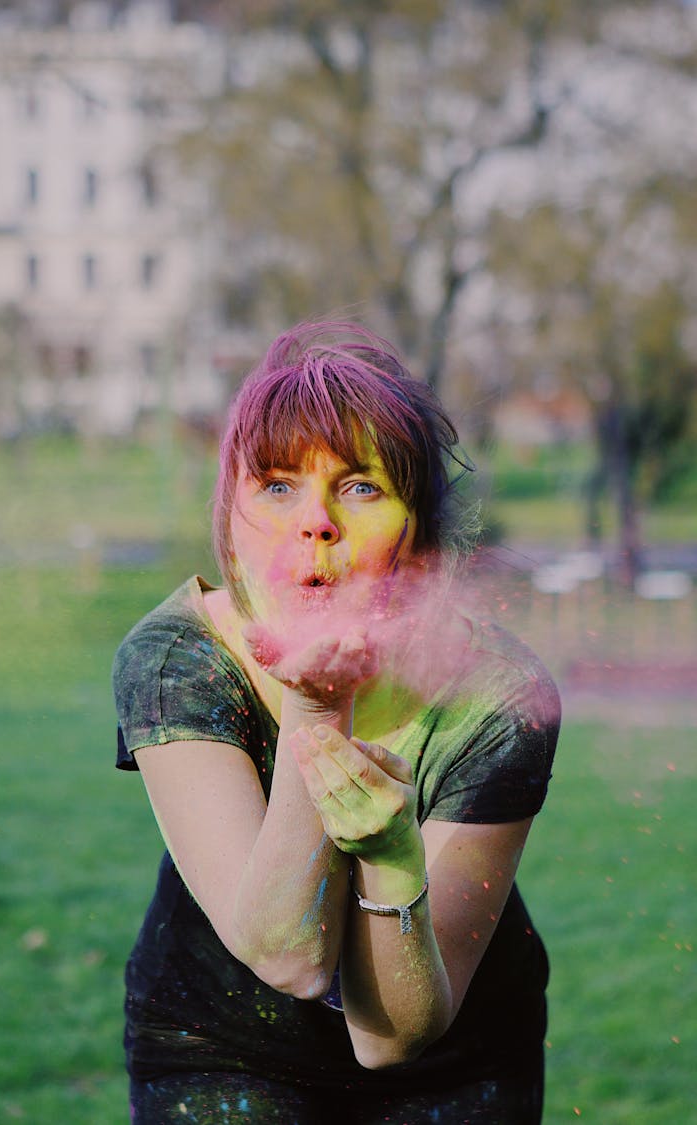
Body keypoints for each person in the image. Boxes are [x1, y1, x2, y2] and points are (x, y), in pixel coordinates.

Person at [113, 321, 561, 1124]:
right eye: (278, 485)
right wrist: (319, 709)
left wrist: (391, 858)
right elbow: (287, 952)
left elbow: (390, 1037)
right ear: (233, 515)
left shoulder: (499, 696)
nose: (315, 522)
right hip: (219, 1050)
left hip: (459, 1063)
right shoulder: (178, 657)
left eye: (360, 486)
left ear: (418, 532)